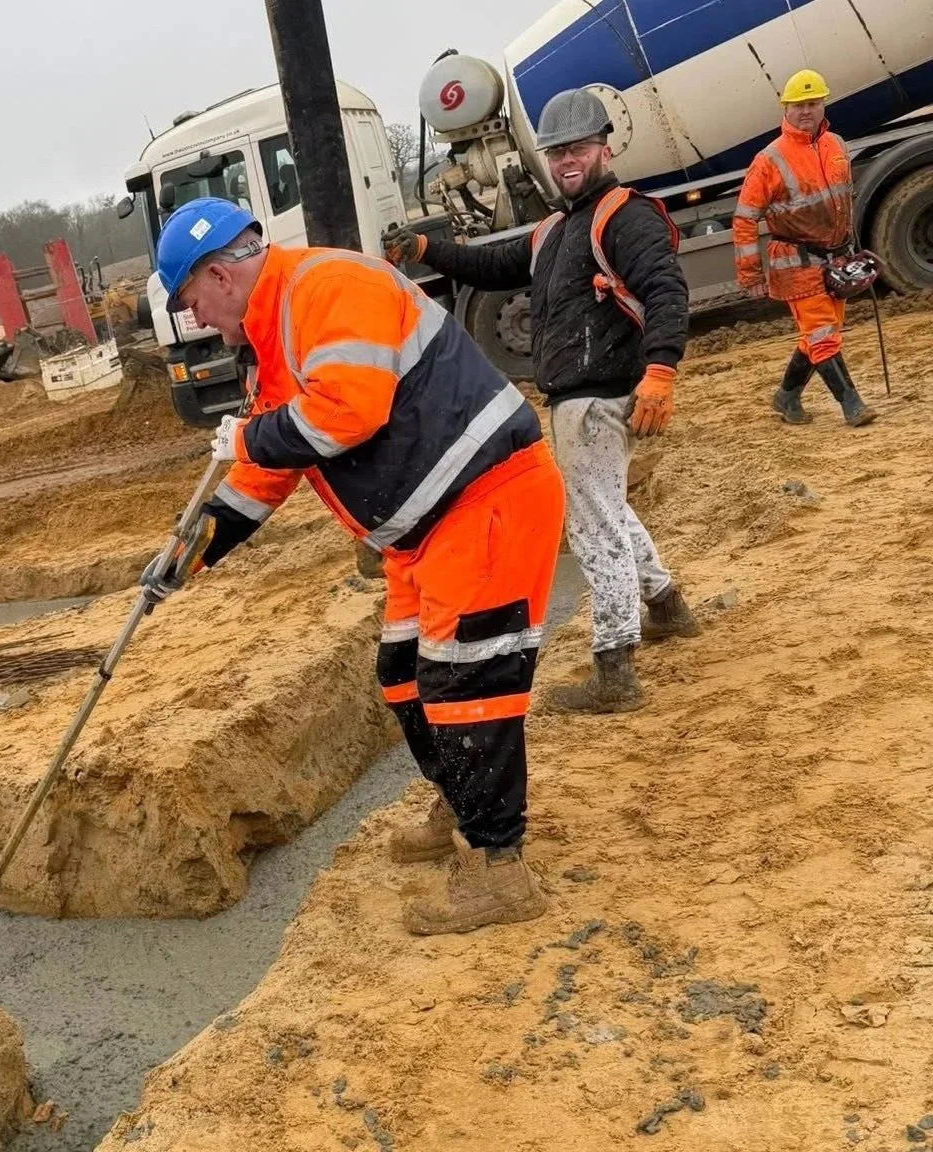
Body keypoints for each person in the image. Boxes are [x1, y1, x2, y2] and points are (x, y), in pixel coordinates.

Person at [141, 195, 565, 936]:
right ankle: (460, 803)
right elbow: (276, 465)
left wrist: (247, 437)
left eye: (190, 302)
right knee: (403, 675)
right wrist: (195, 548)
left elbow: (346, 412)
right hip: (423, 532)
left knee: (463, 682)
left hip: (484, 498)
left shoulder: (324, 290)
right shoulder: (271, 336)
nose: (196, 318)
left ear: (219, 275)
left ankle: (498, 867)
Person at [384, 87, 698, 714]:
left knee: (593, 525)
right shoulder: (559, 227)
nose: (566, 162)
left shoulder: (624, 215)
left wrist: (661, 370)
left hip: (597, 398)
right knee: (607, 506)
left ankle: (615, 671)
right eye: (556, 153)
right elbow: (498, 263)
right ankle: (666, 605)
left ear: (605, 147)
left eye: (578, 148)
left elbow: (666, 289)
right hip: (582, 399)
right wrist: (427, 251)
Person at [734, 68, 876, 427]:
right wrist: (750, 274)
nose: (806, 111)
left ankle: (786, 396)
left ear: (823, 103)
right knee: (823, 336)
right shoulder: (769, 160)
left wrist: (852, 246)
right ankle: (852, 405)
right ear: (785, 108)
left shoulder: (837, 145)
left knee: (819, 335)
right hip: (796, 263)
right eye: (798, 105)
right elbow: (745, 219)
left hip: (838, 257)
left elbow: (844, 199)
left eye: (812, 103)